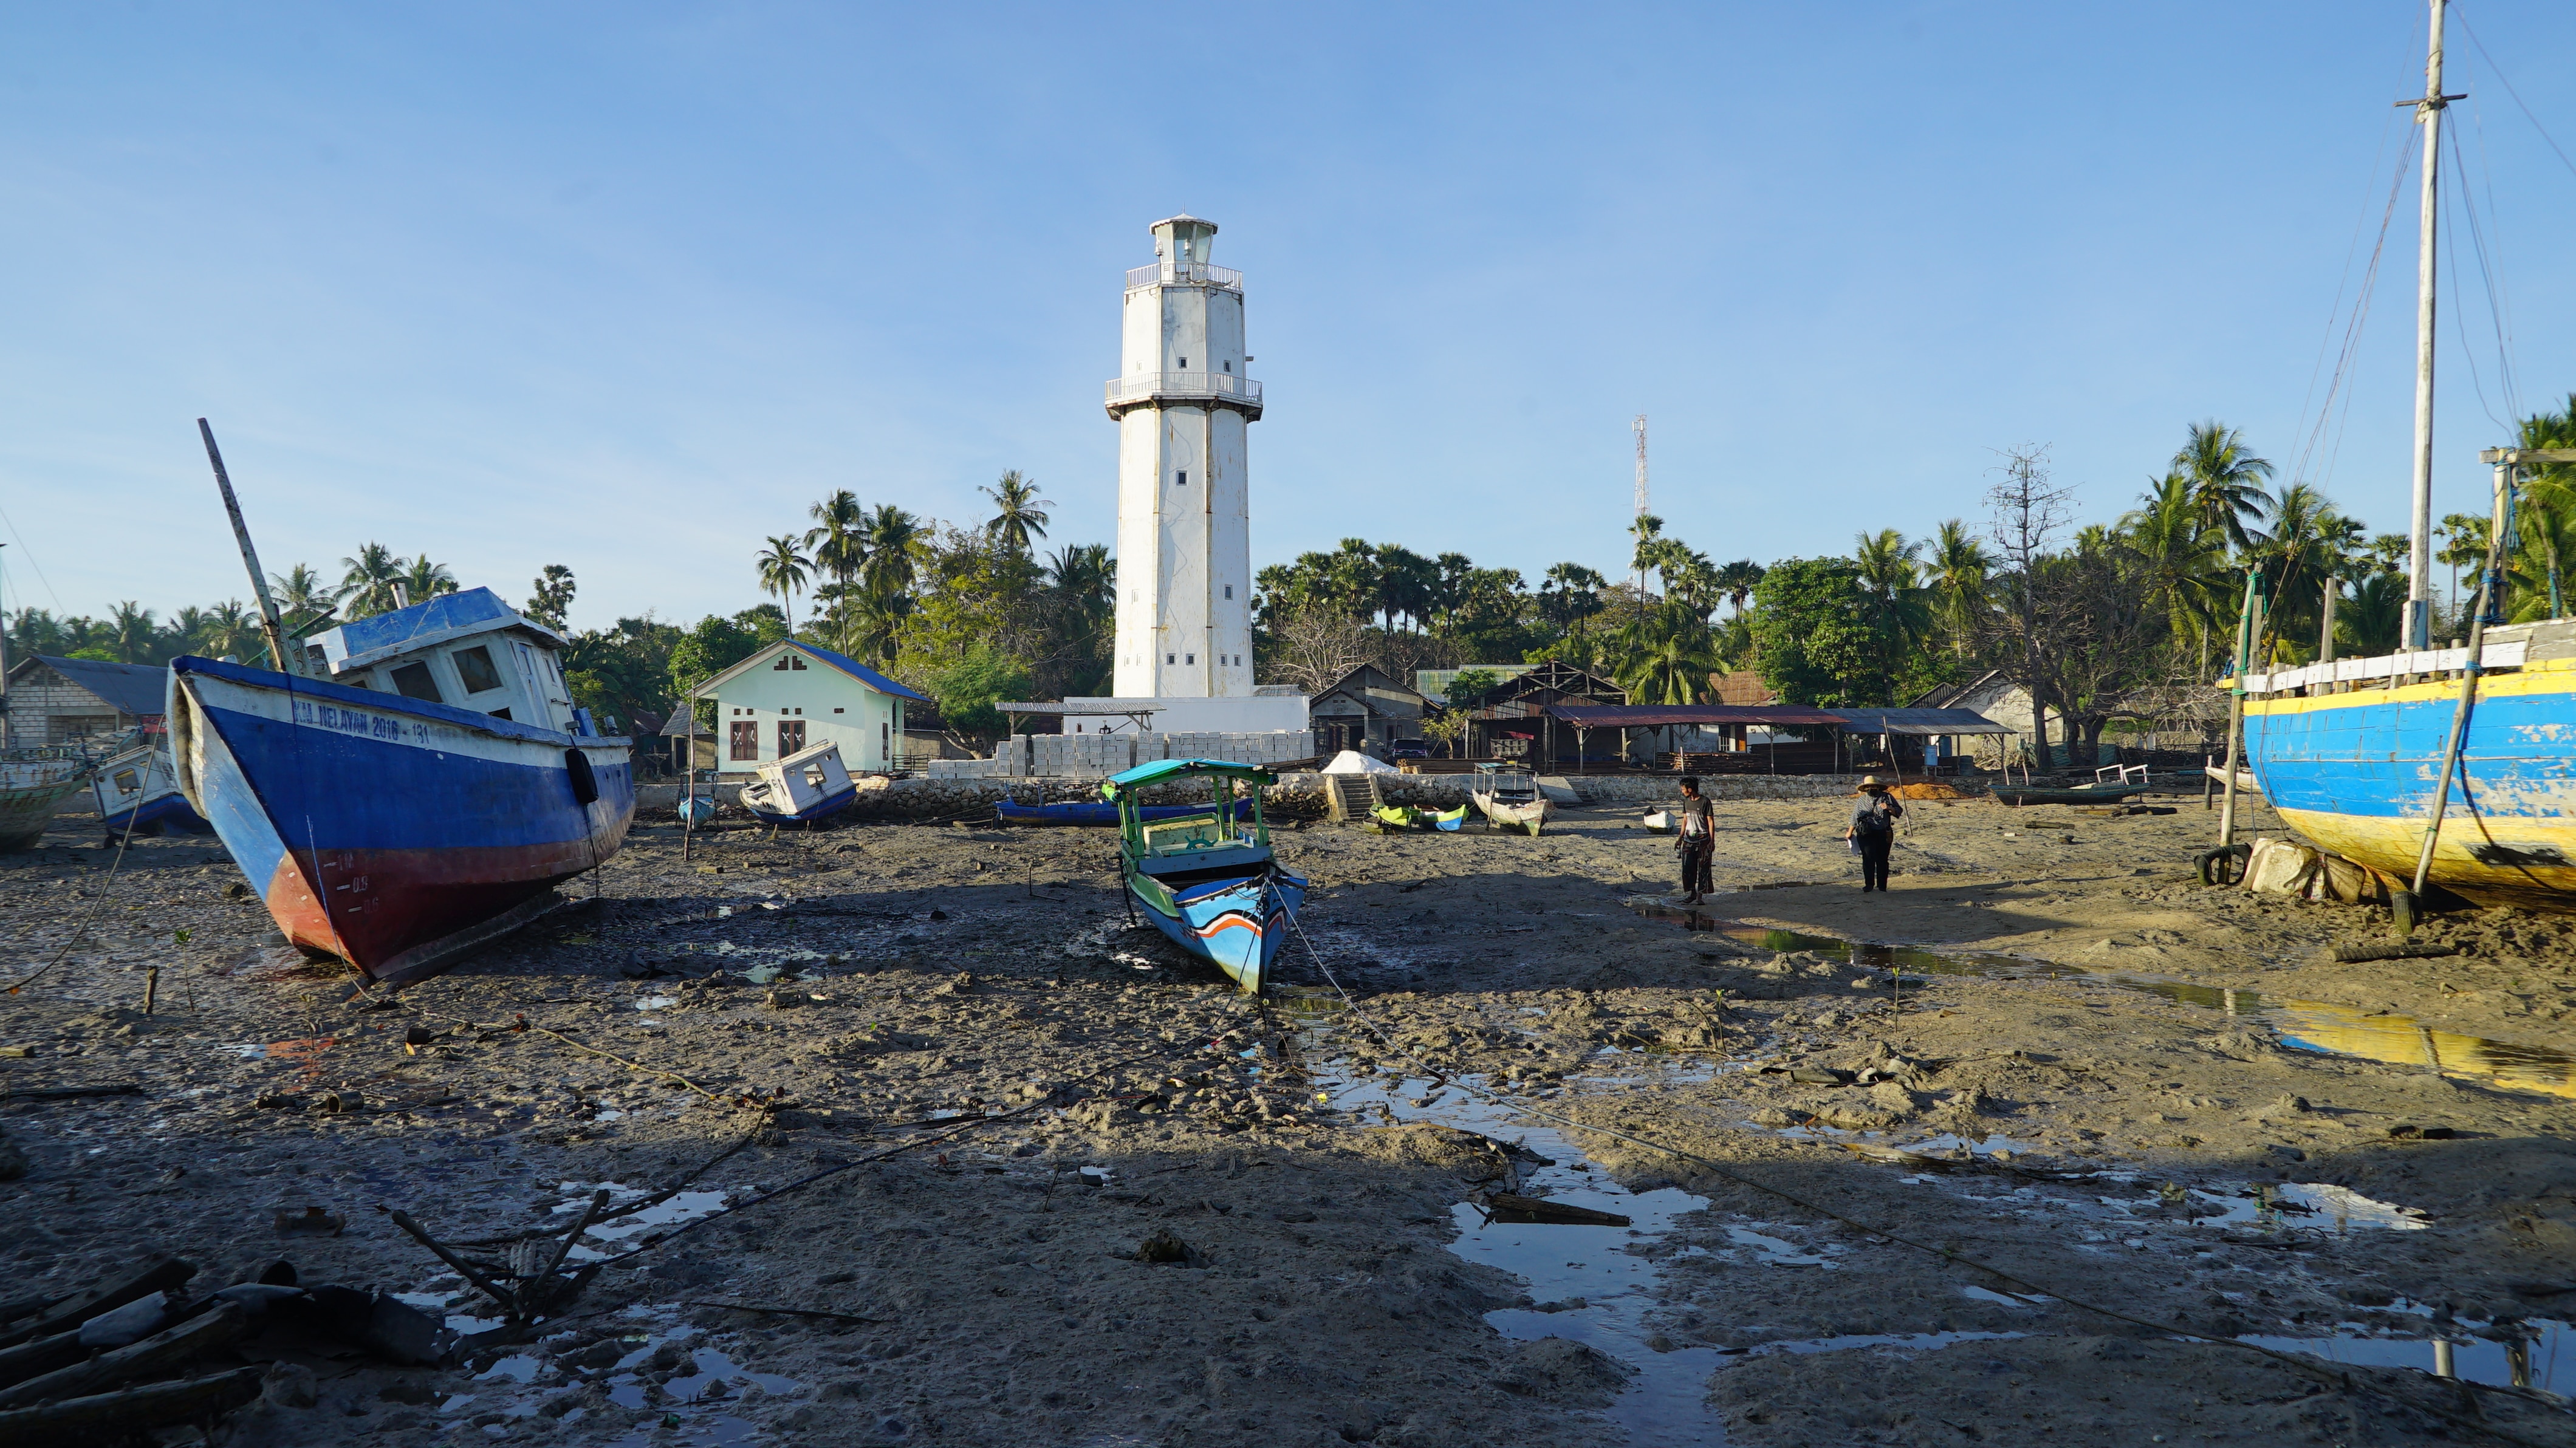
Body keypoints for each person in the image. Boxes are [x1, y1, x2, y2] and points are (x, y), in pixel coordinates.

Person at [1845, 775, 1904, 892]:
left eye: (1874, 786)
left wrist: (1889, 808)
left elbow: (1899, 811)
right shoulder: (1861, 800)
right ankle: (1869, 884)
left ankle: (1882, 886)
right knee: (1868, 858)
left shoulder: (1887, 797)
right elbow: (1855, 816)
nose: (1872, 789)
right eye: (1869, 787)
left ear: (1878, 787)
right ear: (1866, 788)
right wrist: (1850, 832)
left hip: (1883, 832)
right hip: (1866, 833)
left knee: (1882, 860)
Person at [1673, 776, 1715, 904]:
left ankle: (1700, 897)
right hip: (1688, 840)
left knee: (1704, 869)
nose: (1682, 791)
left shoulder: (1705, 802)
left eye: (1683, 789)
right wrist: (1680, 838)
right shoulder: (1686, 802)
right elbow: (1685, 820)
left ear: (1690, 789)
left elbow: (1710, 822)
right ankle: (1691, 893)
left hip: (1703, 840)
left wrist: (1712, 841)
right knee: (1687, 869)